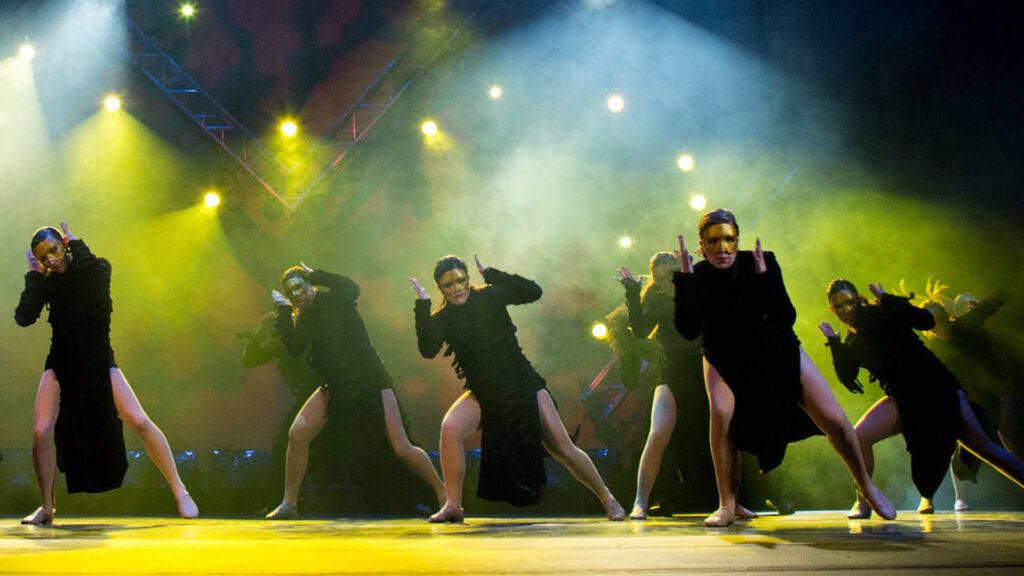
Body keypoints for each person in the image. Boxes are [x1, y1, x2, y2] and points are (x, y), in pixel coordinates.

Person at [673, 209, 894, 527]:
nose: (722, 248)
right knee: (722, 414)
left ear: (738, 239)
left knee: (832, 417)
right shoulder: (697, 274)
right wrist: (684, 281)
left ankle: (867, 486)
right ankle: (727, 503)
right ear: (702, 244)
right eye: (713, 241)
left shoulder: (762, 261)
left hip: (775, 346)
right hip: (724, 354)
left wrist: (764, 279)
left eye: (729, 240)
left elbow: (785, 317)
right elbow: (688, 330)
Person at [411, 255, 625, 523]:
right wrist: (423, 307)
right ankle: (453, 505)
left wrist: (493, 274)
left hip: (522, 384)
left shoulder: (489, 296)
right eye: (448, 285)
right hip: (486, 393)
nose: (456, 288)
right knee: (450, 428)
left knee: (563, 448)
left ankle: (608, 498)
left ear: (468, 278)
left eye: (460, 280)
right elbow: (428, 349)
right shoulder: (442, 317)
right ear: (440, 288)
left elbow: (533, 292)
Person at [14, 223, 198, 525]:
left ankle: (180, 491)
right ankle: (47, 507)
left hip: (98, 359)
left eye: (54, 250)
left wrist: (78, 246)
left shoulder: (97, 268)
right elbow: (24, 318)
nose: (51, 260)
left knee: (138, 420)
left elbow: (92, 280)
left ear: (64, 244)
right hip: (62, 362)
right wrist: (34, 277)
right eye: (43, 258)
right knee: (39, 431)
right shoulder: (47, 283)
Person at [821, 279, 1024, 518]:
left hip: (937, 390)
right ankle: (864, 503)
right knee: (857, 439)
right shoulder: (852, 339)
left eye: (850, 302)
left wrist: (888, 300)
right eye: (840, 306)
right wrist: (834, 343)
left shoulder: (880, 312)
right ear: (832, 309)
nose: (846, 309)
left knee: (984, 448)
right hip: (903, 399)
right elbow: (848, 376)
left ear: (858, 299)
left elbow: (925, 321)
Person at [264, 263, 444, 519]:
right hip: (335, 385)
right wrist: (284, 312)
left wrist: (317, 274)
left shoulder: (335, 300)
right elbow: (295, 347)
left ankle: (444, 494)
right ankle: (289, 504)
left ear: (309, 284)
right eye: (289, 291)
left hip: (369, 380)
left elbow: (352, 288)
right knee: (298, 433)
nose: (295, 294)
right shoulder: (305, 316)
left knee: (401, 446)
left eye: (298, 287)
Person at [616, 252, 716, 519]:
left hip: (705, 371)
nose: (662, 283)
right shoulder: (657, 298)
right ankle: (640, 502)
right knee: (658, 433)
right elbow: (639, 329)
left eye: (668, 276)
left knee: (722, 435)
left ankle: (732, 501)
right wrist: (632, 291)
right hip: (671, 372)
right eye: (657, 278)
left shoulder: (697, 290)